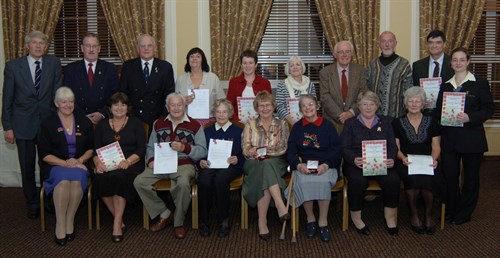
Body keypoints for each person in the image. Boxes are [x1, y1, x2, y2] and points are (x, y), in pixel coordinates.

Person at [2, 30, 62, 219]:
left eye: (41, 43)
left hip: (47, 124)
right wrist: (8, 126)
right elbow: (7, 99)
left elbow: (57, 94)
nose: (38, 46)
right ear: (27, 46)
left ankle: (48, 199)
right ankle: (32, 203)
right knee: (27, 166)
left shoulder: (53, 63)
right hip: (22, 125)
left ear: (46, 47)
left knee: (48, 165)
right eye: (34, 43)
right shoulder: (13, 66)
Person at [134, 93, 207, 239]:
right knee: (139, 182)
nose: (176, 108)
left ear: (185, 106)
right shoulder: (158, 123)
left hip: (184, 164)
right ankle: (165, 213)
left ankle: (178, 223)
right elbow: (150, 147)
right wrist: (151, 160)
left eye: (179, 105)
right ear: (167, 107)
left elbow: (202, 151)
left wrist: (184, 148)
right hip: (161, 164)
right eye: (172, 105)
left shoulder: (195, 125)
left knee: (182, 184)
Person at [434, 47, 494, 225]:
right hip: (450, 139)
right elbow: (438, 111)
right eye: (455, 60)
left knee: (471, 178)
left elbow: (489, 109)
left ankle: (465, 212)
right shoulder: (445, 85)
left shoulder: (480, 83)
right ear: (451, 63)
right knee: (450, 176)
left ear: (468, 61)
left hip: (472, 139)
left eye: (462, 59)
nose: (458, 63)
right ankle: (452, 209)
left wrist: (471, 117)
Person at [37, 87, 93, 246]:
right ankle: (60, 223)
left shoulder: (84, 121)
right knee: (62, 182)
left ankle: (70, 221)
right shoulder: (48, 123)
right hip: (55, 165)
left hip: (79, 164)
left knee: (76, 181)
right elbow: (44, 154)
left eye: (71, 101)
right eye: (64, 102)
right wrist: (66, 163)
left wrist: (80, 161)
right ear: (56, 103)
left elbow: (91, 148)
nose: (68, 105)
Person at [340, 91, 400, 236]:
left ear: (377, 106)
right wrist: (354, 158)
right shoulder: (350, 123)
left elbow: (392, 145)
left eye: (372, 104)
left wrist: (391, 158)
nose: (368, 107)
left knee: (393, 179)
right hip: (357, 163)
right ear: (359, 106)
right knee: (357, 181)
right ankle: (356, 217)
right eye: (364, 104)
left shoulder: (386, 122)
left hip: (381, 163)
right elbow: (344, 147)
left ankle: (390, 217)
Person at [286, 94, 341, 242]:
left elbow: (337, 149)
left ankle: (323, 221)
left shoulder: (328, 126)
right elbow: (290, 151)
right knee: (303, 182)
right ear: (301, 110)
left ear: (317, 106)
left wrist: (326, 165)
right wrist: (298, 165)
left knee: (322, 182)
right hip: (304, 166)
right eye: (304, 105)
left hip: (326, 165)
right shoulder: (297, 127)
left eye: (311, 104)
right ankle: (310, 218)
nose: (308, 108)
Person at [93, 92, 146, 243]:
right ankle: (120, 219)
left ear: (128, 107)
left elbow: (141, 149)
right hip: (108, 164)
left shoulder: (136, 123)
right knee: (99, 177)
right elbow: (96, 149)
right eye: (116, 104)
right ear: (110, 108)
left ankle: (116, 225)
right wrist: (98, 164)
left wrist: (128, 162)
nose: (119, 108)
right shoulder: (101, 125)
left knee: (121, 177)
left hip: (131, 163)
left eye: (123, 104)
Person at [241, 91, 290, 240]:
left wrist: (265, 151)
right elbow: (245, 148)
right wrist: (253, 151)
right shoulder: (250, 124)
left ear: (273, 106)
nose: (265, 108)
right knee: (264, 165)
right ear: (256, 108)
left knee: (267, 164)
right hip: (253, 162)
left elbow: (282, 147)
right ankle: (280, 205)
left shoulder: (282, 124)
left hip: (277, 161)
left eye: (268, 105)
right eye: (261, 106)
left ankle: (262, 222)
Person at [393, 87, 440, 235]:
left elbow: (436, 146)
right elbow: (396, 148)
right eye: (410, 101)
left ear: (423, 104)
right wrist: (402, 158)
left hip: (428, 161)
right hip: (406, 161)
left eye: (417, 101)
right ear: (406, 104)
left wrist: (434, 160)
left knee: (428, 180)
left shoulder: (432, 122)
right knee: (411, 180)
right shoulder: (397, 122)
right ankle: (413, 214)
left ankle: (428, 214)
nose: (414, 104)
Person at [197, 99, 244, 238]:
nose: (221, 115)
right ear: (214, 113)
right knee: (204, 180)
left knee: (220, 180)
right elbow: (201, 151)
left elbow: (245, 152)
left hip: (232, 166)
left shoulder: (239, 130)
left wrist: (238, 159)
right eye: (218, 112)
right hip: (211, 165)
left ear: (230, 113)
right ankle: (204, 220)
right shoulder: (207, 130)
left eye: (224, 112)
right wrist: (201, 161)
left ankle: (223, 220)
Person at [119, 34, 175, 129]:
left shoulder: (165, 67)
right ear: (137, 49)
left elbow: (169, 95)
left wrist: (162, 118)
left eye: (149, 46)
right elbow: (123, 94)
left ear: (155, 48)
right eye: (142, 46)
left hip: (157, 120)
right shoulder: (128, 66)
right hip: (133, 119)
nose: (146, 49)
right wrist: (128, 116)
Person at [64, 32, 119, 124]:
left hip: (104, 121)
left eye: (94, 46)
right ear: (82, 48)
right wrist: (82, 116)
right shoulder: (71, 69)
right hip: (78, 119)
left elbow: (115, 95)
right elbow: (66, 96)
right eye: (88, 46)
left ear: (99, 49)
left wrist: (102, 113)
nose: (91, 49)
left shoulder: (110, 69)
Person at [320, 40, 367, 132]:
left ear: (352, 53)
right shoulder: (325, 72)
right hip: (332, 122)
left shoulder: (360, 71)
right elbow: (324, 96)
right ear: (335, 54)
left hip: (355, 121)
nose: (344, 55)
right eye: (340, 52)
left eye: (347, 51)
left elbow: (363, 94)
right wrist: (341, 115)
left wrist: (351, 112)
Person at [367, 31, 413, 118]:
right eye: (383, 41)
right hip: (374, 117)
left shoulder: (404, 64)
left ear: (395, 43)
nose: (387, 44)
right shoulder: (372, 64)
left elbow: (409, 91)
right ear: (379, 44)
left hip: (397, 116)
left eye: (390, 41)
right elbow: (367, 90)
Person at [175, 47, 225, 126]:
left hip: (210, 121)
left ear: (203, 60)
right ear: (188, 60)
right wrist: (183, 102)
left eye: (198, 56)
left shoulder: (213, 78)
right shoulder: (181, 80)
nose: (194, 59)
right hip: (186, 121)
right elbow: (175, 103)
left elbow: (222, 101)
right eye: (191, 56)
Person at [226, 49, 272, 121]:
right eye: (245, 63)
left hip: (261, 123)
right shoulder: (234, 82)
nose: (247, 66)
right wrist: (238, 122)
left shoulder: (265, 83)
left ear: (256, 65)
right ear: (241, 65)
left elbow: (269, 106)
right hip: (238, 124)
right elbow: (229, 106)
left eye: (250, 63)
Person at [275, 55, 316, 126]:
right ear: (288, 69)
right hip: (288, 124)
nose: (295, 67)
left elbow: (313, 104)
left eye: (298, 64)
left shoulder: (310, 84)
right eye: (292, 65)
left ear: (302, 67)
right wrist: (293, 123)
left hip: (308, 123)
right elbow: (279, 106)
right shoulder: (282, 84)